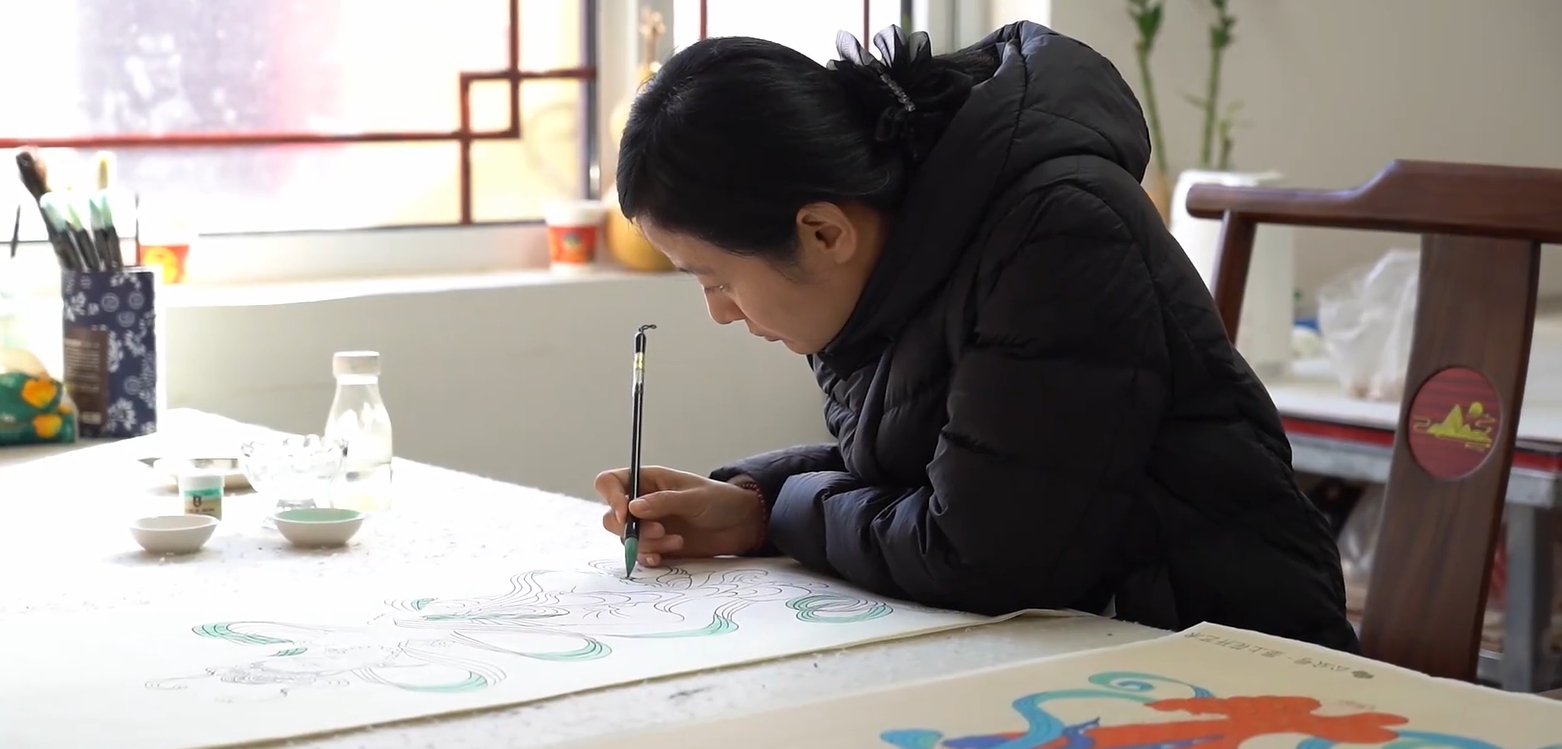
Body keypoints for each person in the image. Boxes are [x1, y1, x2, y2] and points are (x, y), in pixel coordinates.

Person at [595, 21, 1359, 652]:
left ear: (823, 231)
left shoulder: (1058, 232)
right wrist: (753, 499)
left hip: (1230, 661)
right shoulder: (902, 253)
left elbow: (980, 552)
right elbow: (955, 464)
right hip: (1088, 648)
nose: (720, 312)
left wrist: (782, 511)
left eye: (716, 279)